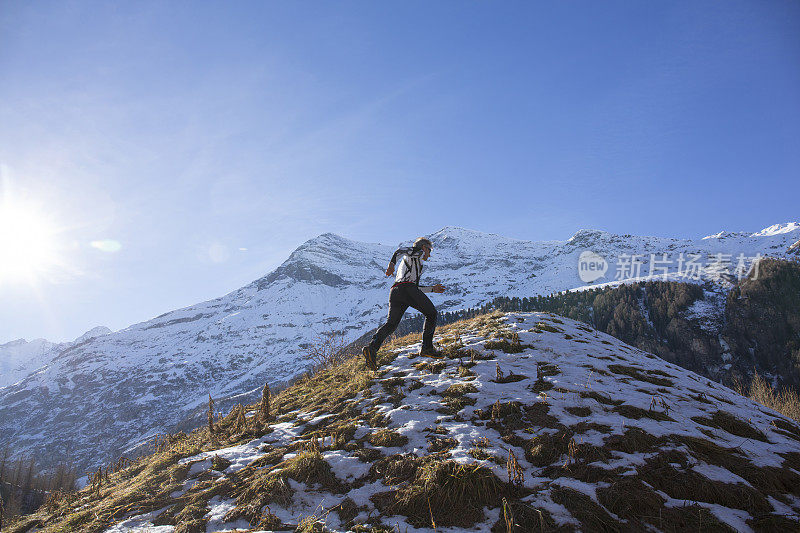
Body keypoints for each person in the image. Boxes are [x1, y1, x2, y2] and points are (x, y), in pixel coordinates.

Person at [363, 237, 446, 370]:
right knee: (431, 313)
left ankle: (372, 349)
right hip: (407, 289)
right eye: (429, 250)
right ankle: (427, 348)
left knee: (391, 325)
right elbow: (400, 251)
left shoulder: (417, 264)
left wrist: (432, 289)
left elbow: (416, 287)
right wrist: (391, 264)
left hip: (396, 291)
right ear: (424, 248)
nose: (430, 254)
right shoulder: (417, 252)